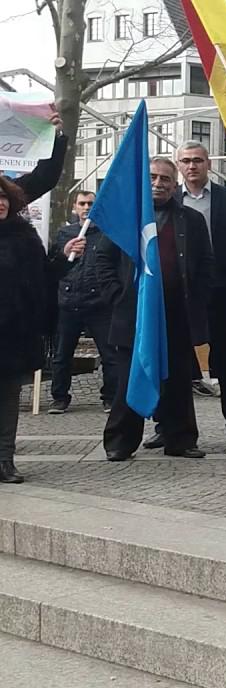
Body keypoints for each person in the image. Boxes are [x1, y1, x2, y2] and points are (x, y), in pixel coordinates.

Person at [103, 158, 214, 461]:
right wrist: (120, 296)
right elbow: (102, 262)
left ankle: (180, 440)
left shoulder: (191, 220)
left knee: (178, 381)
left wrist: (197, 299)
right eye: (152, 177)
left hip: (176, 314)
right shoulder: (126, 217)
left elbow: (205, 264)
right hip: (133, 316)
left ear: (174, 185)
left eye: (165, 179)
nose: (158, 183)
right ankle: (120, 442)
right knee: (129, 380)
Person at [173, 141, 226, 450]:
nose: (192, 166)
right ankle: (168, 425)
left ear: (208, 164)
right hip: (179, 293)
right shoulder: (167, 199)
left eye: (197, 160)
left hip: (222, 292)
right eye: (185, 161)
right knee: (176, 361)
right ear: (178, 165)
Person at [48, 190, 121, 414]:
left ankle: (110, 397)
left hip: (98, 303)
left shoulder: (107, 234)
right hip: (69, 302)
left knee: (110, 355)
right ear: (74, 207)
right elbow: (54, 264)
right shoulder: (64, 233)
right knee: (62, 355)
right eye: (82, 203)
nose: (87, 207)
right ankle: (59, 398)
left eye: (91, 203)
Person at [0, 177, 53, 484]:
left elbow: (43, 278)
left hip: (13, 335)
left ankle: (5, 460)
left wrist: (65, 258)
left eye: (4, 197)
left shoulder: (24, 236)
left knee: (8, 398)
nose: (2, 203)